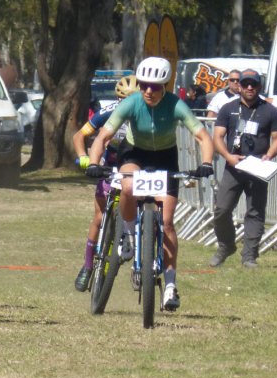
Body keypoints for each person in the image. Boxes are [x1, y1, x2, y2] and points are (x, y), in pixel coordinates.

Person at [85, 57, 215, 311]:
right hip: (134, 153)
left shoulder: (176, 105)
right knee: (129, 186)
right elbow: (104, 135)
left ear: (165, 86)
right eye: (144, 85)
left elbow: (201, 135)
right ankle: (129, 236)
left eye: (155, 87)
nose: (148, 91)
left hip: (166, 157)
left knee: (166, 223)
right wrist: (92, 161)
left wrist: (207, 162)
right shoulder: (132, 103)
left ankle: (169, 285)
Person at [208, 68, 277, 269]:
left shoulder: (270, 111)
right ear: (238, 86)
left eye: (254, 84)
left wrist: (270, 154)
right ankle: (226, 245)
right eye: (245, 84)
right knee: (222, 209)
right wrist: (227, 156)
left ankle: (249, 256)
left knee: (255, 211)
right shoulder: (228, 109)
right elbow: (217, 137)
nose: (250, 87)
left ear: (259, 86)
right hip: (234, 166)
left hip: (258, 167)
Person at [72, 74, 138, 292]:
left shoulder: (146, 113)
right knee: (100, 217)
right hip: (109, 163)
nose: (126, 105)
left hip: (136, 163)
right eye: (123, 100)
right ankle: (88, 266)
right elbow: (79, 136)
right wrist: (84, 158)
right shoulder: (109, 111)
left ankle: (141, 259)